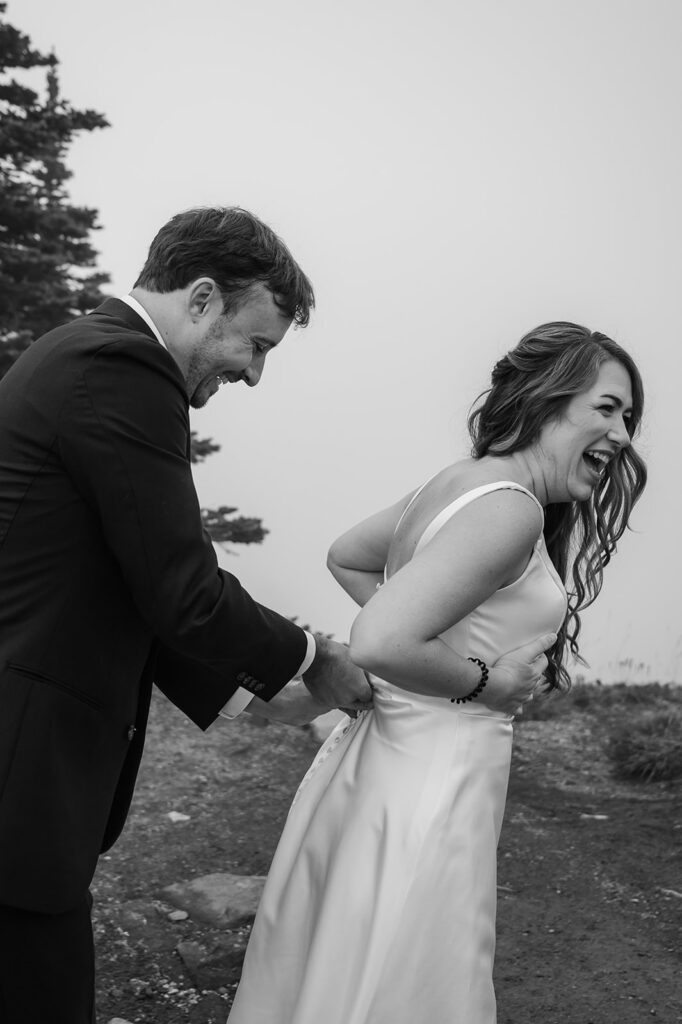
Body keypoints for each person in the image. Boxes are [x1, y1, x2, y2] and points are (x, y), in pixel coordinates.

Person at [0, 206, 374, 1024]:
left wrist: (258, 691)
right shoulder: (122, 367)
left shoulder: (82, 355)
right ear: (203, 298)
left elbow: (128, 584)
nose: (252, 374)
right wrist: (313, 656)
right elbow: (180, 586)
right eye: (258, 344)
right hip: (16, 772)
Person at [227, 321, 647, 1024]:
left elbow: (348, 556)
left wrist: (440, 641)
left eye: (629, 417)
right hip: (432, 784)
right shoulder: (510, 510)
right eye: (607, 408)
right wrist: (483, 678)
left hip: (377, 770)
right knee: (404, 978)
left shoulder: (457, 483)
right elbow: (380, 640)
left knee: (346, 966)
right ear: (548, 399)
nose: (625, 435)